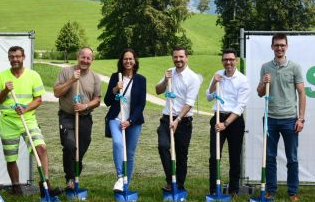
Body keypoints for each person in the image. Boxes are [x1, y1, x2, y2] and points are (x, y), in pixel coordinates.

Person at [0, 46, 61, 196]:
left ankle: (45, 185)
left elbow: (38, 99)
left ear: (23, 57)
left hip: (28, 119)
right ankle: (16, 187)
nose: (15, 59)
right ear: (9, 58)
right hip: (8, 122)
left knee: (41, 148)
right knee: (11, 157)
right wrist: (5, 91)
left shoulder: (33, 75)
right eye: (12, 57)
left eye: (18, 56)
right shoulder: (1, 77)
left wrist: (26, 109)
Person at [257, 33, 306, 202]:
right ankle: (270, 190)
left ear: (287, 47)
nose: (279, 48)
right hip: (270, 118)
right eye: (276, 45)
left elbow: (301, 93)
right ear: (272, 47)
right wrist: (264, 82)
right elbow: (259, 93)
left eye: (282, 45)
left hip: (290, 119)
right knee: (269, 156)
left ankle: (293, 192)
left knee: (292, 157)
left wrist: (301, 118)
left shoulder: (295, 67)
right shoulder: (265, 67)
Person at [155, 46, 202, 193]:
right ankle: (171, 180)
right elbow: (158, 90)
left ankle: (179, 186)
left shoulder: (193, 78)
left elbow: (189, 103)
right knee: (163, 146)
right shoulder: (169, 72)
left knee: (182, 155)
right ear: (172, 58)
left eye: (181, 57)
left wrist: (178, 120)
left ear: (186, 58)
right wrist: (165, 80)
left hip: (183, 120)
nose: (178, 60)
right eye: (175, 57)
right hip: (166, 118)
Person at [52, 47, 101, 190]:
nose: (85, 60)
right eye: (83, 57)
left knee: (81, 148)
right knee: (69, 145)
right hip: (67, 116)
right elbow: (56, 92)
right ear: (77, 57)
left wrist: (85, 106)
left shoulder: (95, 78)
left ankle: (75, 172)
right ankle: (70, 179)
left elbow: (97, 101)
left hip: (85, 117)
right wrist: (72, 80)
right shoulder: (66, 72)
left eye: (88, 58)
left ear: (92, 60)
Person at [206, 48, 249, 198]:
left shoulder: (242, 79)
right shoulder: (218, 75)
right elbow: (208, 97)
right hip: (217, 117)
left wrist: (226, 124)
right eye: (225, 60)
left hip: (234, 121)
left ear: (236, 61)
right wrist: (213, 84)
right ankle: (213, 189)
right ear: (222, 61)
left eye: (231, 59)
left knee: (234, 156)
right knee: (214, 156)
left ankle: (233, 190)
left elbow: (239, 107)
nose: (228, 62)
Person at [103, 48, 147, 192]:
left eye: (131, 59)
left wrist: (130, 121)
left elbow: (141, 104)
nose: (128, 61)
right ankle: (120, 177)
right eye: (125, 59)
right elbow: (107, 101)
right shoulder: (116, 77)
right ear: (121, 61)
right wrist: (115, 89)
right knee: (117, 143)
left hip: (133, 122)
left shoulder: (141, 80)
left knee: (130, 153)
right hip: (116, 118)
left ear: (135, 61)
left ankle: (125, 185)